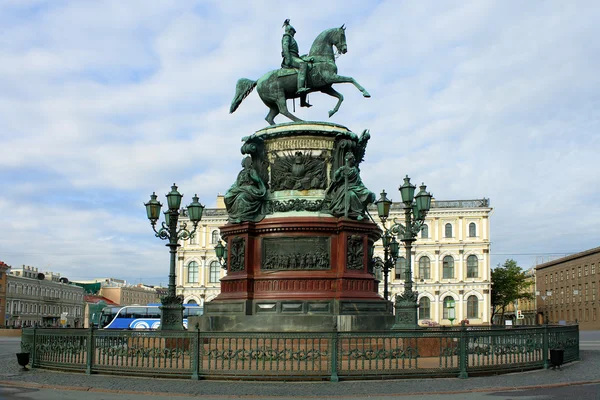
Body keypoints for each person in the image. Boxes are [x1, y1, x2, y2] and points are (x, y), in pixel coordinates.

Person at [325, 152, 375, 220]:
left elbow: (359, 181)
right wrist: (339, 172)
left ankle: (361, 212)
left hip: (355, 186)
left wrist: (365, 189)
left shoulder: (354, 170)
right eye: (352, 159)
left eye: (354, 159)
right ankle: (357, 213)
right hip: (344, 187)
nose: (353, 161)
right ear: (348, 160)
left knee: (367, 193)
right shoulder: (342, 169)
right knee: (352, 195)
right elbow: (335, 179)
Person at [224, 157, 268, 223]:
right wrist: (229, 190)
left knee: (241, 198)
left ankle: (241, 216)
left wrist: (253, 177)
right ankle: (232, 216)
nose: (242, 164)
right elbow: (236, 183)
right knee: (227, 197)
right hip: (241, 188)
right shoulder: (241, 172)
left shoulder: (252, 171)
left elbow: (258, 180)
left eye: (243, 162)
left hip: (249, 188)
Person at [281, 19, 312, 106]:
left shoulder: (291, 38)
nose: (294, 34)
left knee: (306, 64)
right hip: (290, 58)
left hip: (295, 57)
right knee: (303, 65)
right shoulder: (287, 36)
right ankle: (300, 88)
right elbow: (285, 47)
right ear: (290, 31)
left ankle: (302, 101)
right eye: (293, 32)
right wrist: (288, 59)